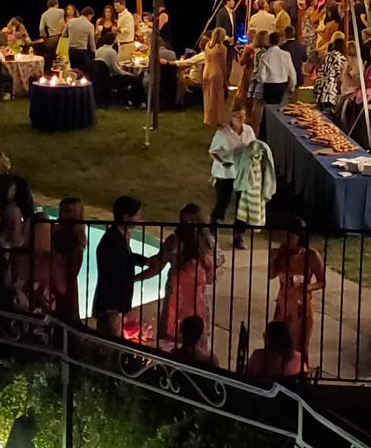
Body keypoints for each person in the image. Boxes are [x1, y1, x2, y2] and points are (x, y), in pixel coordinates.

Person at [91, 196, 168, 338]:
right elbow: (121, 265)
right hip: (111, 302)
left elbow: (126, 257)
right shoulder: (112, 241)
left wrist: (145, 261)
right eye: (137, 215)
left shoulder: (119, 236)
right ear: (126, 217)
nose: (140, 218)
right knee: (110, 338)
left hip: (114, 301)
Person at [269, 220, 326, 370]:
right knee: (279, 344)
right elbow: (271, 275)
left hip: (302, 307)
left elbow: (322, 282)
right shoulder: (283, 252)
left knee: (300, 346)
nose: (286, 238)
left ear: (299, 236)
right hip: (283, 305)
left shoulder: (312, 255)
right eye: (285, 234)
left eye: (290, 235)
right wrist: (272, 258)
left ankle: (301, 374)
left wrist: (308, 287)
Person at [157, 203, 214, 345]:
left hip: (196, 300)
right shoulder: (173, 242)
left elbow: (210, 278)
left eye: (192, 221)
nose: (188, 225)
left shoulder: (207, 243)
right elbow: (158, 263)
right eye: (185, 221)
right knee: (171, 330)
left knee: (194, 334)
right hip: (176, 297)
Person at [209, 99, 255, 247]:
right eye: (237, 116)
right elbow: (213, 151)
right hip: (225, 173)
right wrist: (223, 162)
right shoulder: (223, 133)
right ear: (231, 117)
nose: (241, 119)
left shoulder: (248, 130)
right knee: (223, 201)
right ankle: (213, 228)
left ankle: (238, 235)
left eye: (243, 116)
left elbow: (253, 147)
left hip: (242, 172)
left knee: (242, 204)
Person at [200, 27, 230, 126]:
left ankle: (207, 117)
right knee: (216, 96)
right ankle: (215, 119)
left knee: (207, 95)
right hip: (216, 72)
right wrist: (225, 79)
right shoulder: (222, 49)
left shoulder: (207, 46)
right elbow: (223, 65)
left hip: (206, 72)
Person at [315, 32, 345, 114]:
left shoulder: (325, 55)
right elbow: (340, 78)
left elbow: (318, 68)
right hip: (330, 88)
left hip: (320, 85)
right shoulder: (342, 59)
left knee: (319, 112)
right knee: (328, 114)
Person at [65, 5, 95, 72]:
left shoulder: (70, 21)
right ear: (89, 15)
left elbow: (64, 34)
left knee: (73, 71)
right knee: (82, 72)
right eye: (91, 17)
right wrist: (94, 52)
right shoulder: (90, 25)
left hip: (71, 50)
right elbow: (91, 42)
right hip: (82, 51)